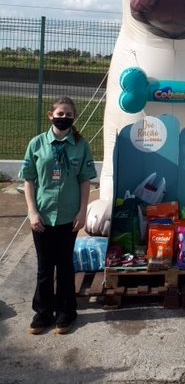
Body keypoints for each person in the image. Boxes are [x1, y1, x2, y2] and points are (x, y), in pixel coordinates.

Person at [19, 96, 97, 335]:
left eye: (68, 115)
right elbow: (29, 181)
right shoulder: (37, 144)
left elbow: (85, 181)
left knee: (64, 266)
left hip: (68, 217)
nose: (64, 118)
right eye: (60, 114)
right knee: (44, 267)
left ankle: (66, 312)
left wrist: (83, 211)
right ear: (51, 116)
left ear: (74, 117)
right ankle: (42, 312)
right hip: (42, 217)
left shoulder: (80, 146)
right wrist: (32, 212)